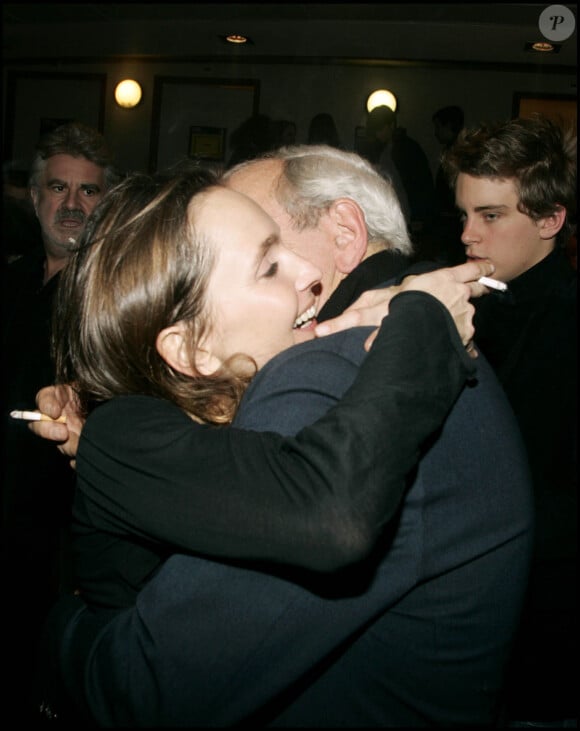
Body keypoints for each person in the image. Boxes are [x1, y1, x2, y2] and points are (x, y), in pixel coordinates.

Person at [34, 152, 531, 726]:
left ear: (346, 232)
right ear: (189, 348)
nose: (304, 273)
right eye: (266, 264)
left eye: (275, 243)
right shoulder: (339, 363)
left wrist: (61, 629)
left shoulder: (320, 378)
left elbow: (154, 685)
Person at [442, 114, 577, 726]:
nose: (469, 234)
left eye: (491, 216)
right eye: (465, 214)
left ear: (551, 220)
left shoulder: (566, 325)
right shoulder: (482, 300)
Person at [0, 121, 119, 720]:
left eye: (89, 192)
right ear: (34, 194)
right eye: (58, 188)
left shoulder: (114, 301)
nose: (72, 205)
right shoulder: (10, 278)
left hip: (57, 539)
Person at [362, 105, 437, 236]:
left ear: (391, 125)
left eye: (380, 129)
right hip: (398, 214)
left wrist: (418, 216)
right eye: (376, 130)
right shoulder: (389, 149)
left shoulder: (405, 148)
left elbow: (419, 183)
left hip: (408, 215)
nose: (378, 134)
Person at [425, 105, 465, 265]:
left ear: (449, 126)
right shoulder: (452, 150)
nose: (436, 132)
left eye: (438, 127)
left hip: (451, 219)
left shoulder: (458, 154)